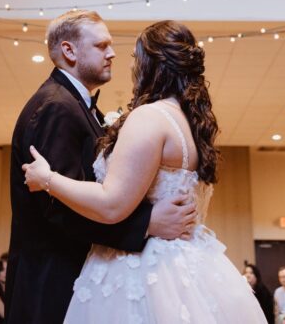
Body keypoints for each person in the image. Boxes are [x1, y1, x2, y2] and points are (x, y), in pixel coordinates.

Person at [22, 19, 267, 323]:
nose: (117, 57)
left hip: (141, 270)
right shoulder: (189, 124)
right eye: (102, 46)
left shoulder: (149, 118)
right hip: (188, 266)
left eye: (136, 59)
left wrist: (47, 179)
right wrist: (149, 221)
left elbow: (112, 202)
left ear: (151, 65)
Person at [6, 12, 197, 323]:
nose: (112, 53)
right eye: (101, 45)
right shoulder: (57, 107)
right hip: (52, 285)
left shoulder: (76, 105)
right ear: (69, 51)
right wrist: (147, 224)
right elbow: (58, 209)